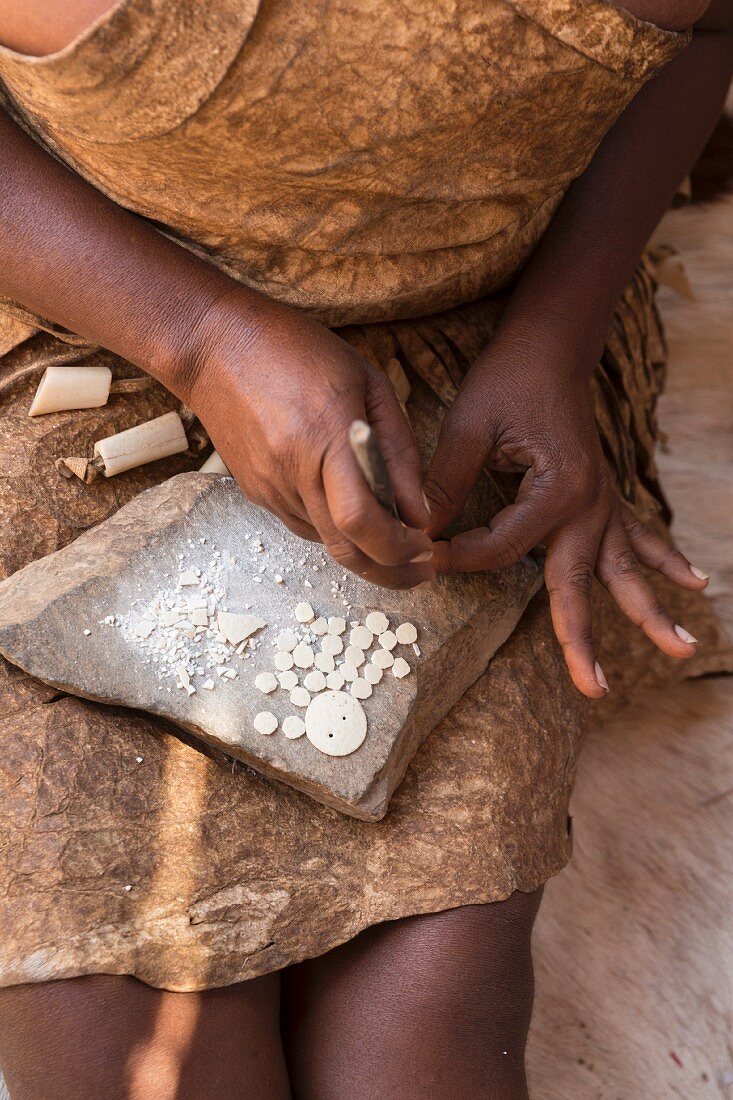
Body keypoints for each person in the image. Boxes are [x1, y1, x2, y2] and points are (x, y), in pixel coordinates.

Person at [0, 1, 730, 1096]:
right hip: (75, 310)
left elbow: (704, 32)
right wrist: (199, 339)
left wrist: (555, 341)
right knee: (102, 1007)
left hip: (466, 352)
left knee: (431, 1029)